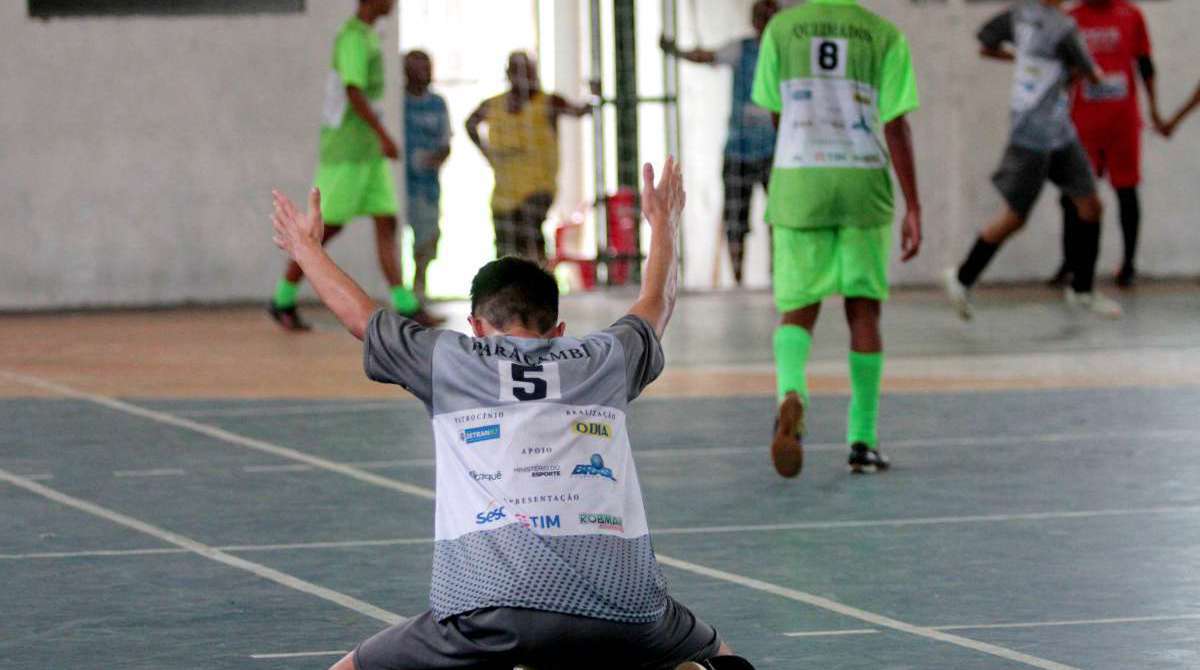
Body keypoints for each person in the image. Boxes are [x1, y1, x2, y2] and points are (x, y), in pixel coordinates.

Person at [269, 157, 756, 670]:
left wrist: (305, 247)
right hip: (627, 609)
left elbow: (360, 318)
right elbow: (656, 301)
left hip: (488, 612)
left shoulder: (449, 360)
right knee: (717, 657)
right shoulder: (604, 359)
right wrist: (665, 226)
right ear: (559, 329)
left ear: (476, 325)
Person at [751, 0, 923, 477]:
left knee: (797, 308)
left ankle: (791, 395)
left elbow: (775, 114)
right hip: (862, 183)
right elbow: (896, 124)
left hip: (800, 181)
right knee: (863, 310)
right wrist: (915, 205)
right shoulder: (882, 35)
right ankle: (863, 441)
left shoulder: (782, 30)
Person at [943, 0, 1122, 320]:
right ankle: (961, 277)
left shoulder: (1019, 14)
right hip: (1035, 135)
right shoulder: (1062, 27)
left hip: (1057, 130)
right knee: (1015, 216)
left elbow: (985, 42)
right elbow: (1092, 73)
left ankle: (1082, 289)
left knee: (1090, 204)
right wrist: (1089, 75)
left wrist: (1024, 59)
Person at [268, 0, 438, 331]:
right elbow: (353, 91)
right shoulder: (353, 39)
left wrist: (377, 140)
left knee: (386, 221)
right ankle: (282, 298)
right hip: (346, 152)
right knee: (324, 229)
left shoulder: (370, 35)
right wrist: (384, 135)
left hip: (368, 154)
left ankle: (405, 304)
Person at [660, 0, 779, 285]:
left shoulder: (783, 53)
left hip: (774, 150)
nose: (765, 22)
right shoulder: (742, 50)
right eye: (761, 17)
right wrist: (676, 51)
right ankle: (738, 279)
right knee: (736, 220)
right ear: (755, 21)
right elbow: (705, 56)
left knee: (779, 218)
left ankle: (778, 274)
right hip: (739, 149)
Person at [1050, 0, 1166, 289]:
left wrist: (1153, 107)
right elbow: (1058, 70)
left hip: (1122, 121)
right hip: (1082, 123)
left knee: (1126, 190)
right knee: (1073, 196)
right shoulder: (1071, 18)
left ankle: (1128, 264)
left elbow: (1145, 63)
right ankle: (1071, 263)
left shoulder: (1131, 15)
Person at [465, 52, 592, 263]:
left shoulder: (549, 102)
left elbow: (579, 111)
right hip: (505, 190)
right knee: (506, 244)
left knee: (529, 231)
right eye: (517, 70)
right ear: (508, 73)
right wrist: (486, 152)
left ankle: (539, 280)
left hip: (539, 186)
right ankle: (508, 288)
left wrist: (594, 96)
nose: (523, 76)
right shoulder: (493, 105)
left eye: (527, 70)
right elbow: (470, 123)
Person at [402, 50, 451, 302]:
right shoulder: (397, 103)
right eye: (419, 68)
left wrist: (434, 160)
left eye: (428, 67)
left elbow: (446, 145)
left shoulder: (437, 104)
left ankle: (419, 286)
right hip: (401, 186)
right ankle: (399, 293)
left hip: (427, 187)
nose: (426, 73)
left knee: (428, 238)